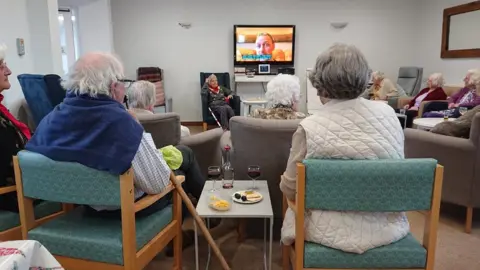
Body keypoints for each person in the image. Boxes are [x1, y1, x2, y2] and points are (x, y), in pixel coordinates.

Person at [25, 52, 205, 254]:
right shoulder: (121, 122)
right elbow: (157, 183)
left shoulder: (51, 119)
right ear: (113, 86)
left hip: (83, 206)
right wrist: (137, 129)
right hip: (125, 211)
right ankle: (185, 233)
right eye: (124, 82)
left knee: (179, 157)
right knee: (179, 175)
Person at [280, 44, 408, 254]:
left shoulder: (309, 127)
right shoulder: (389, 115)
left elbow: (290, 189)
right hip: (388, 228)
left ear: (321, 84)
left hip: (324, 234)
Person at [0, 44, 32, 212]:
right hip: (12, 195)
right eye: (1, 66)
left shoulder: (2, 111)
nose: (9, 71)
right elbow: (12, 158)